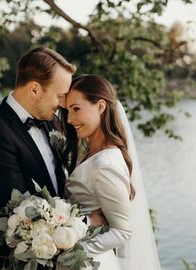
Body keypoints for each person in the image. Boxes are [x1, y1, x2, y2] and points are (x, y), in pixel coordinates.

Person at [0, 47, 75, 269]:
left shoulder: (53, 123)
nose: (64, 104)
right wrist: (82, 223)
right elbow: (17, 211)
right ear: (35, 89)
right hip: (14, 262)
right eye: (60, 95)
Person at [65, 74, 161, 270]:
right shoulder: (93, 153)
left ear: (100, 106)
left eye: (76, 109)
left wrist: (70, 254)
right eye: (67, 111)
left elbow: (123, 231)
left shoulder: (105, 163)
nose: (69, 119)